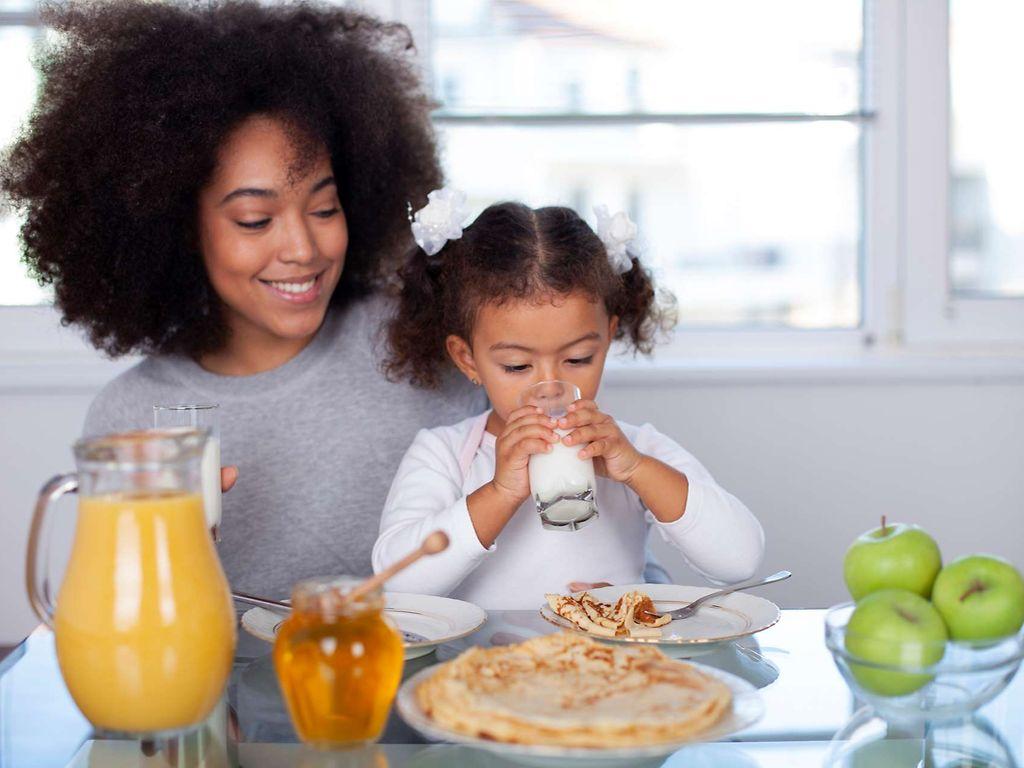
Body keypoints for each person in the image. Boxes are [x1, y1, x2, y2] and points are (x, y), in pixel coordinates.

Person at [0, 1, 483, 598]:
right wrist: (164, 549)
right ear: (178, 227)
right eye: (255, 220)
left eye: (324, 208)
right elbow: (121, 618)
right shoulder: (132, 418)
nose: (301, 248)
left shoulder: (422, 339)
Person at [373, 192, 765, 609]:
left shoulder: (632, 449)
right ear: (468, 359)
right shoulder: (444, 454)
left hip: (607, 668)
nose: (550, 386)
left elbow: (740, 560)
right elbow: (395, 585)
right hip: (487, 670)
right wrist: (501, 492)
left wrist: (635, 469)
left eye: (578, 358)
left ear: (608, 337)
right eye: (516, 366)